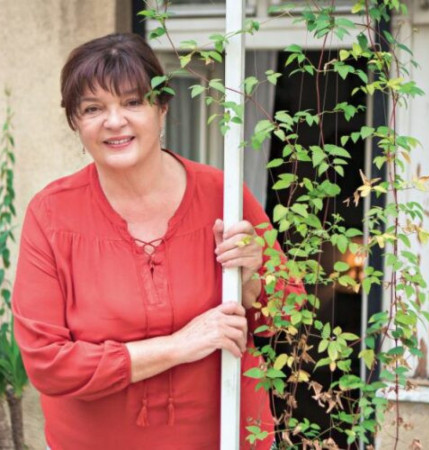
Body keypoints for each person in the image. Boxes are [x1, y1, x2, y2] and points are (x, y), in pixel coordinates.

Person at [12, 33, 303, 450]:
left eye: (132, 102)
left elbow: (287, 317)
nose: (114, 121)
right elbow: (47, 364)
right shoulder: (51, 215)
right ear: (75, 122)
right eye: (93, 108)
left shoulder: (223, 197)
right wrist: (179, 345)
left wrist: (252, 280)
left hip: (223, 440)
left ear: (162, 107)